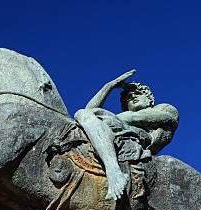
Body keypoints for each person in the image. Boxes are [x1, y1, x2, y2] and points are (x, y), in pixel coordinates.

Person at [74, 70, 179, 200]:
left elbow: (137, 117)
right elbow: (87, 112)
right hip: (117, 131)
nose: (133, 96)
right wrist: (110, 86)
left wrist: (105, 116)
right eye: (128, 97)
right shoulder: (119, 118)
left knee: (86, 114)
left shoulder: (165, 108)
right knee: (82, 114)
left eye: (138, 93)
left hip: (136, 139)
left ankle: (114, 171)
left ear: (149, 99)